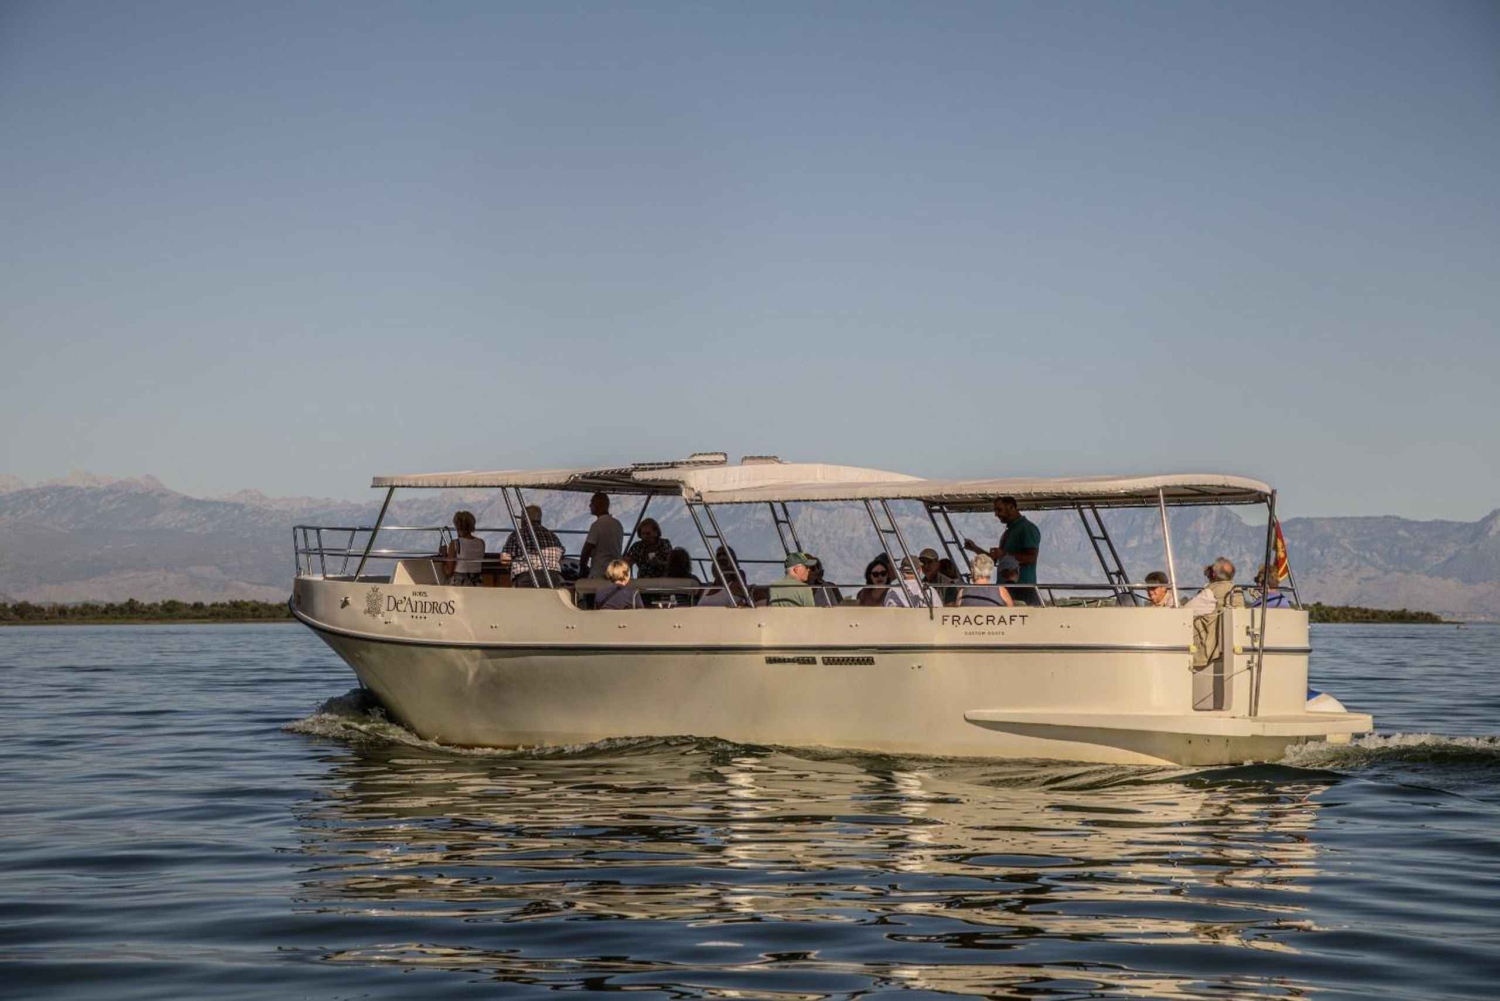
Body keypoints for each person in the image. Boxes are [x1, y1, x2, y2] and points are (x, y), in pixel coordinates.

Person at [963, 496, 1041, 585]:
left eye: (999, 510)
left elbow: (1031, 558)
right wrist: (975, 548)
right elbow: (996, 559)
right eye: (995, 510)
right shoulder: (1009, 531)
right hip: (1006, 587)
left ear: (1011, 507)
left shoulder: (1027, 528)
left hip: (1021, 587)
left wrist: (1004, 554)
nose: (996, 514)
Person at [499, 504, 565, 588]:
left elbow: (504, 559)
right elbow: (561, 554)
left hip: (527, 578)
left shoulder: (517, 535)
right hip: (553, 578)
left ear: (524, 519)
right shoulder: (553, 536)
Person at [578, 492, 623, 579]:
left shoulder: (597, 525)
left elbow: (587, 549)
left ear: (599, 505)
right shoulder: (618, 524)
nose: (590, 505)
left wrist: (582, 568)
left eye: (592, 502)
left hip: (599, 572)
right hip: (615, 571)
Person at [440, 510, 485, 586]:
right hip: (477, 583)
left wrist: (444, 556)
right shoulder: (481, 542)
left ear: (458, 527)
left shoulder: (455, 543)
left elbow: (449, 572)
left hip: (459, 584)